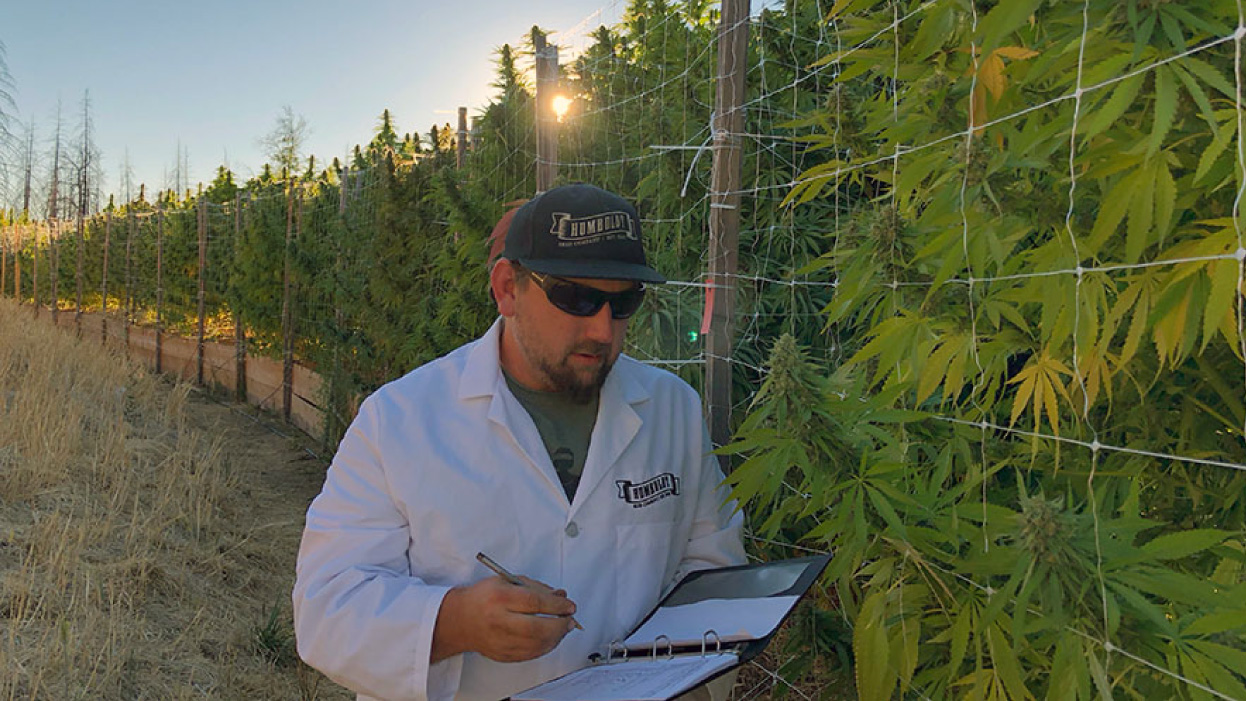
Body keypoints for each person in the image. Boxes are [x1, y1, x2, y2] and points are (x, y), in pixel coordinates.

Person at [293, 184, 746, 701]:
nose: (603, 330)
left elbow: (713, 569)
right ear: (508, 288)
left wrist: (689, 689)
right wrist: (453, 622)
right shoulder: (399, 421)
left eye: (624, 304)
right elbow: (324, 607)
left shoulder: (673, 411)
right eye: (577, 298)